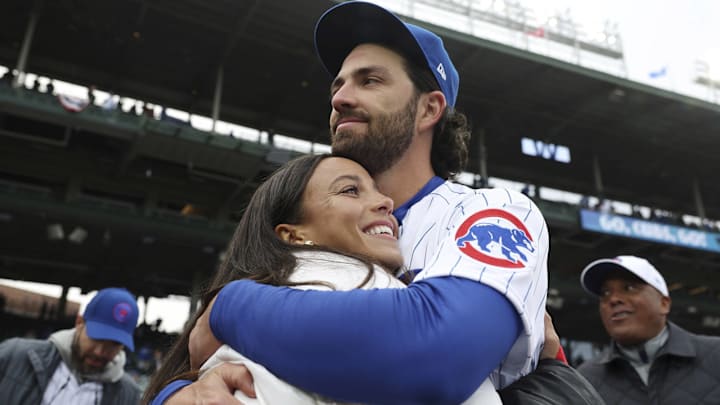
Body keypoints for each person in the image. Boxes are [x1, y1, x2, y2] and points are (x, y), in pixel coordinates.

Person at [156, 1, 603, 404]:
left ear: (429, 110)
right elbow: (189, 365)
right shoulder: (308, 215)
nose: (340, 98)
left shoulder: (491, 211)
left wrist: (232, 307)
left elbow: (433, 357)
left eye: (370, 80)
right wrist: (180, 395)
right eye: (339, 84)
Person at [578, 255, 720, 404]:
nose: (613, 299)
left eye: (629, 288)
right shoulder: (585, 380)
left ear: (664, 303)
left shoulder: (716, 355)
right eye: (605, 293)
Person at [0, 287, 141, 404]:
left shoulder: (129, 395)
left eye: (114, 344)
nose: (100, 352)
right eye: (96, 338)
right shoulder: (16, 356)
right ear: (79, 323)